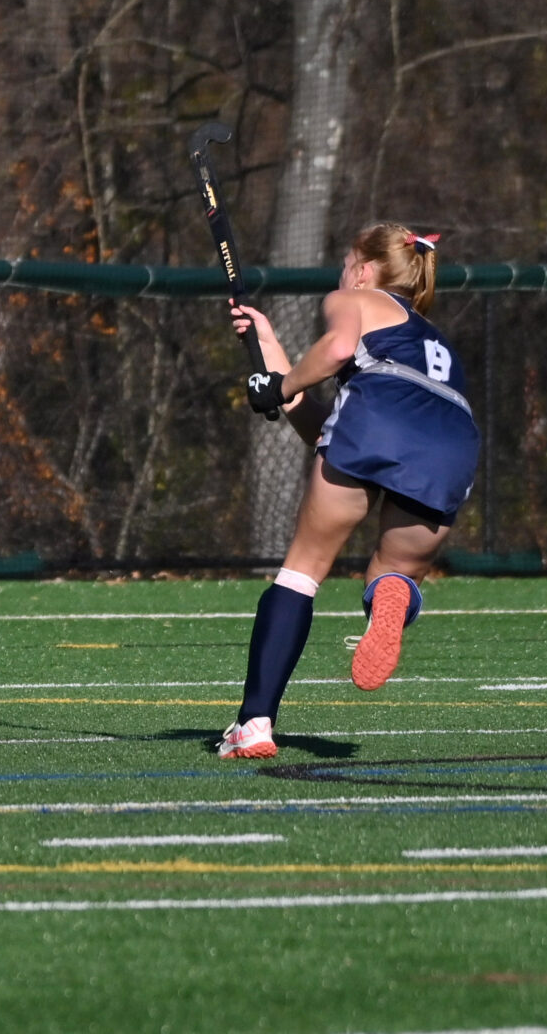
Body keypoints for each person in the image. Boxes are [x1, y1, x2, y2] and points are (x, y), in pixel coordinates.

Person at [214, 223, 479, 759]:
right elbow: (330, 431)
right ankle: (390, 595)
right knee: (394, 572)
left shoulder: (353, 298)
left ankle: (254, 724)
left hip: (374, 425)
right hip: (452, 448)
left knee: (301, 572)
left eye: (345, 262)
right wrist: (271, 355)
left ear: (363, 269)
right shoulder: (429, 338)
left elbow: (337, 353)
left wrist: (281, 386)